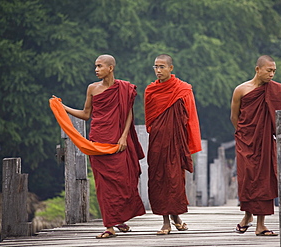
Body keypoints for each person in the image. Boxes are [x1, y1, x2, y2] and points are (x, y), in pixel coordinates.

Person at [52, 54, 145, 238]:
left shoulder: (124, 88)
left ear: (110, 68)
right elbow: (86, 114)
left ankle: (120, 219)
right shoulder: (92, 89)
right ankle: (109, 226)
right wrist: (64, 108)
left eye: (100, 66)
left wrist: (124, 137)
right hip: (98, 141)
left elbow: (128, 115)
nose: (96, 69)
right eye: (95, 66)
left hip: (117, 141)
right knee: (103, 186)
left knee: (124, 182)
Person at [230, 55, 281, 236]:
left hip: (265, 141)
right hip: (245, 141)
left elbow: (277, 115)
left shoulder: (275, 90)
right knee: (247, 178)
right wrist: (245, 135)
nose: (271, 74)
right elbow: (235, 117)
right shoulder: (241, 90)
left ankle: (261, 225)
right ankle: (247, 216)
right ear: (257, 69)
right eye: (268, 70)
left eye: (274, 71)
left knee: (265, 179)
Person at [144, 54, 202, 235]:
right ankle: (165, 221)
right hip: (158, 142)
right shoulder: (150, 91)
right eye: (156, 67)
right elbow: (149, 120)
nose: (158, 70)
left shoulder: (183, 90)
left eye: (162, 67)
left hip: (176, 142)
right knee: (158, 178)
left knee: (175, 180)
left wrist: (190, 143)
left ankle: (175, 216)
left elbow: (191, 118)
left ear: (171, 68)